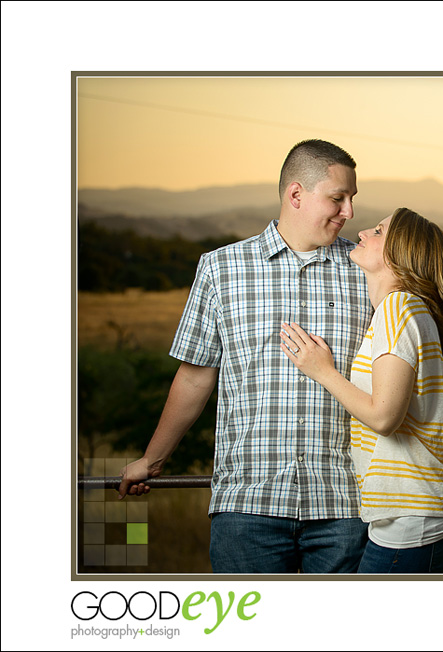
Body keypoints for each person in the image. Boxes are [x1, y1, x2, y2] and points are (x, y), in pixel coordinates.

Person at [117, 139, 375, 573]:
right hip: (247, 506)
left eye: (351, 200)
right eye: (337, 198)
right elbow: (196, 376)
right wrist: (152, 459)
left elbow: (400, 371)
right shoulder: (220, 269)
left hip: (347, 505)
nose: (348, 211)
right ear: (296, 195)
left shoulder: (366, 270)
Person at [280, 207, 443, 573]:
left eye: (378, 232)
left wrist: (322, 371)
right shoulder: (404, 309)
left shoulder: (397, 310)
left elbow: (384, 417)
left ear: (399, 255)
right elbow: (419, 405)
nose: (362, 232)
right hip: (426, 512)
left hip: (413, 519)